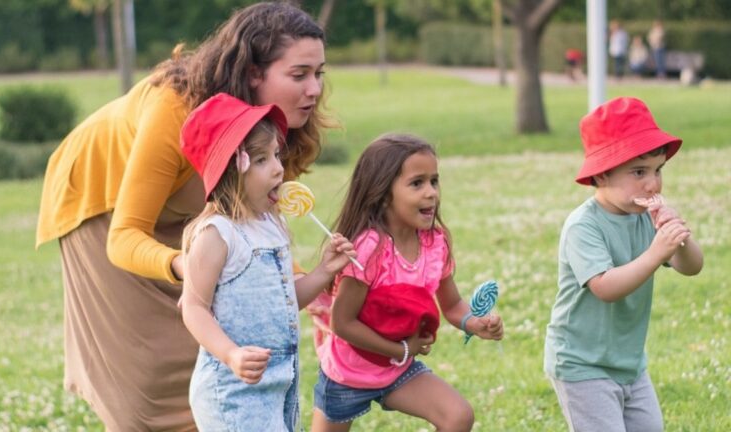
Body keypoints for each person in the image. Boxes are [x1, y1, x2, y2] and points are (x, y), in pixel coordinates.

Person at [35, 3, 332, 429]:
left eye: (319, 74)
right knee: (152, 372)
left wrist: (314, 287)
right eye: (299, 75)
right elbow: (125, 237)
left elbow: (256, 228)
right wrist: (185, 264)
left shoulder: (273, 131)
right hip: (103, 206)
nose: (314, 90)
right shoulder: (175, 109)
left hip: (189, 209)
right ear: (252, 73)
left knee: (215, 345)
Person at [178, 93, 355, 431]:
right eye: (261, 160)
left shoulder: (273, 225)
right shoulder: (217, 234)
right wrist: (230, 354)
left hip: (279, 385)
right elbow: (193, 307)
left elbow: (284, 301)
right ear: (233, 170)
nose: (277, 167)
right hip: (232, 390)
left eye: (276, 154)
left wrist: (324, 270)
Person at [310, 134, 504, 432]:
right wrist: (399, 349)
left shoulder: (434, 243)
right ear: (384, 193)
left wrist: (473, 322)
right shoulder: (369, 248)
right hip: (346, 375)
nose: (431, 193)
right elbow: (343, 323)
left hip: (396, 371)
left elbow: (451, 304)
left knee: (458, 416)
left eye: (434, 181)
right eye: (417, 183)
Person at [544, 97, 704, 432]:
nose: (652, 184)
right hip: (582, 364)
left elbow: (692, 267)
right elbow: (605, 287)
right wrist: (655, 253)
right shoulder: (583, 226)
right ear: (601, 176)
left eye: (658, 170)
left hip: (629, 363)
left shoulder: (646, 217)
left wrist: (679, 238)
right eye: (638, 172)